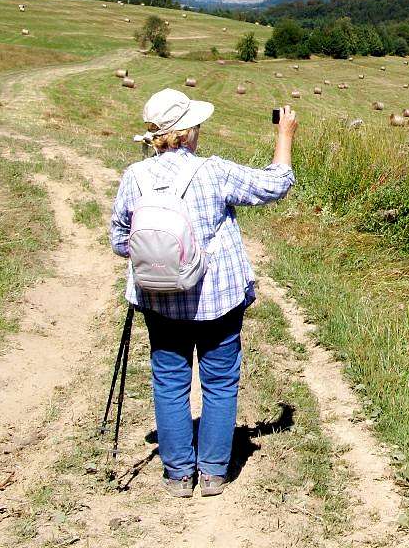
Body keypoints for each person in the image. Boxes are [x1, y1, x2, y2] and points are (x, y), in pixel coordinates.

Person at [109, 88, 298, 498]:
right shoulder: (212, 171)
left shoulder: (134, 177)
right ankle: (213, 471)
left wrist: (162, 259)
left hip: (158, 299)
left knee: (169, 381)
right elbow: (275, 185)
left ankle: (178, 474)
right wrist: (285, 136)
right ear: (188, 132)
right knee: (220, 381)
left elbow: (120, 240)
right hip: (217, 299)